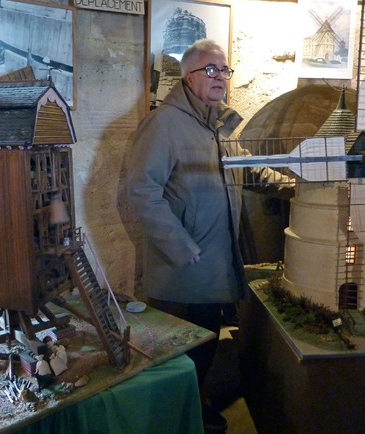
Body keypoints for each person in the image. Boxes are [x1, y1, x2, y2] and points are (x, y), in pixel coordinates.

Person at [127, 39, 291, 432]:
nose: (220, 77)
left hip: (214, 270)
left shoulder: (219, 126)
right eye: (211, 70)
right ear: (188, 77)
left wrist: (297, 184)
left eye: (225, 70)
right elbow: (142, 192)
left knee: (201, 358)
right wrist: (181, 246)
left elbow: (249, 169)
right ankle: (181, 424)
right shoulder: (165, 124)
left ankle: (195, 418)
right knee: (180, 366)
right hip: (183, 276)